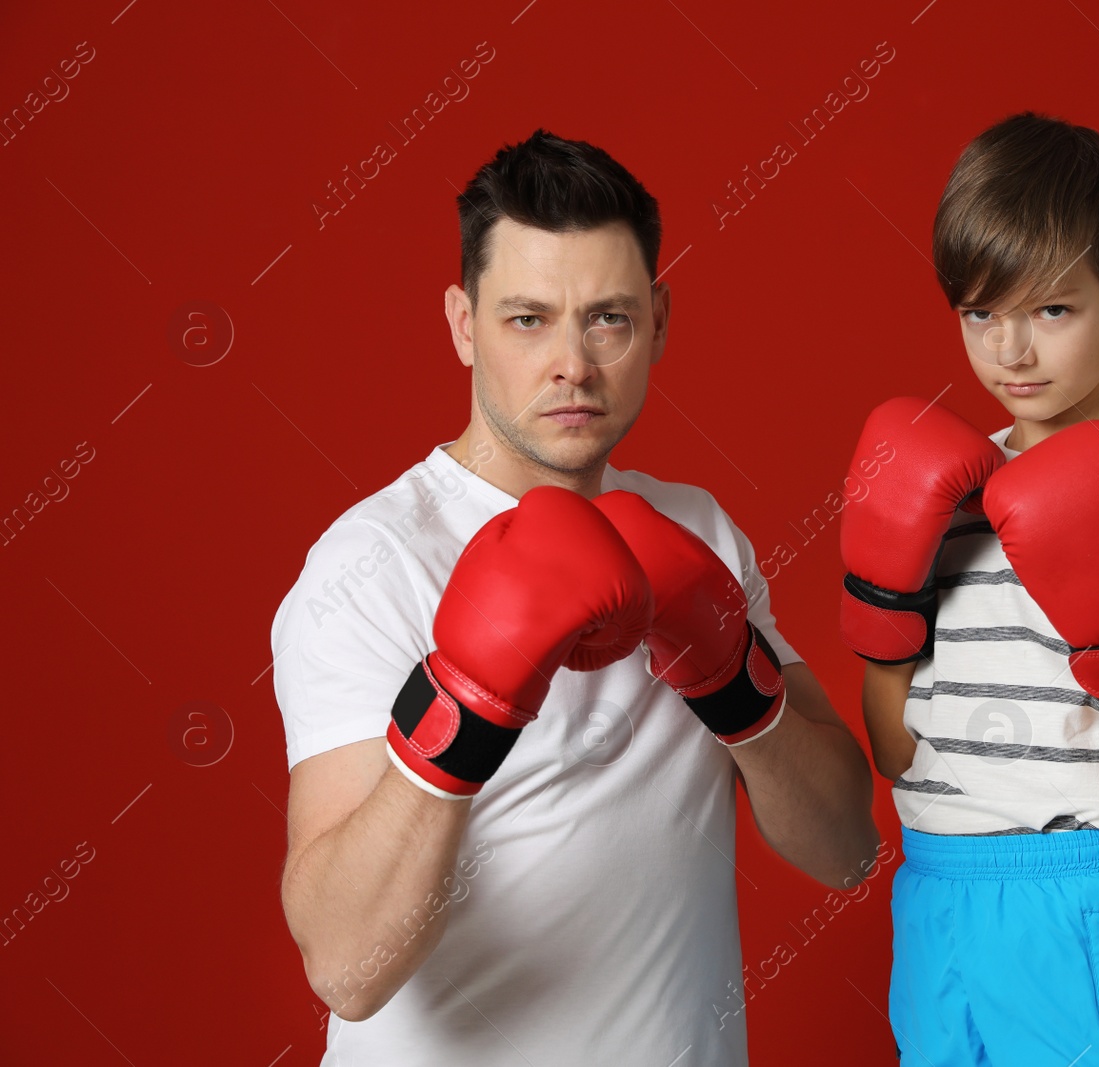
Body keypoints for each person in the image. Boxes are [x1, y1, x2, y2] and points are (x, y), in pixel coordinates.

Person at [270, 129, 879, 1066]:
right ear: (463, 322)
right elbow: (349, 968)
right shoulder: (372, 565)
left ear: (659, 319)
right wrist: (464, 706)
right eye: (526, 319)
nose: (573, 364)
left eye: (607, 318)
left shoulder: (697, 530)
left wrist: (734, 687)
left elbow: (845, 847)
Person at [842, 112, 1099, 1065]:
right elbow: (899, 755)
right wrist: (881, 615)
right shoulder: (943, 487)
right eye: (981, 313)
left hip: (1090, 898)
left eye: (1051, 311)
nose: (1010, 353)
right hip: (940, 891)